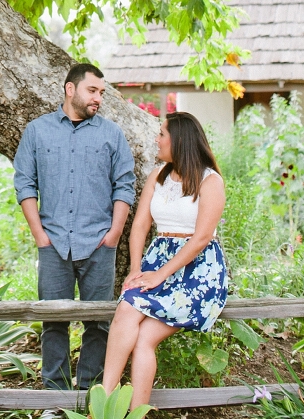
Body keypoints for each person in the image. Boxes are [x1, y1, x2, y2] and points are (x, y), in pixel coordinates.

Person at [13, 63, 136, 393]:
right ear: (71, 89)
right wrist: (40, 236)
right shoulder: (37, 132)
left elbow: (125, 186)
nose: (98, 98)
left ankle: (89, 396)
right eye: (92, 91)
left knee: (98, 323)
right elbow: (25, 184)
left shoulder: (111, 135)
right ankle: (55, 397)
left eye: (101, 93)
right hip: (53, 244)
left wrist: (113, 236)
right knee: (53, 322)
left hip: (99, 245)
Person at [102, 111, 228, 409]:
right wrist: (136, 269)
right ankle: (103, 405)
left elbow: (200, 239)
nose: (156, 140)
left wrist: (159, 275)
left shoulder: (211, 181)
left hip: (197, 270)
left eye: (162, 134)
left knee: (145, 337)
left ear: (180, 140)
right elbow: (140, 226)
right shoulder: (158, 176)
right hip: (156, 261)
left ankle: (134, 414)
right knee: (126, 312)